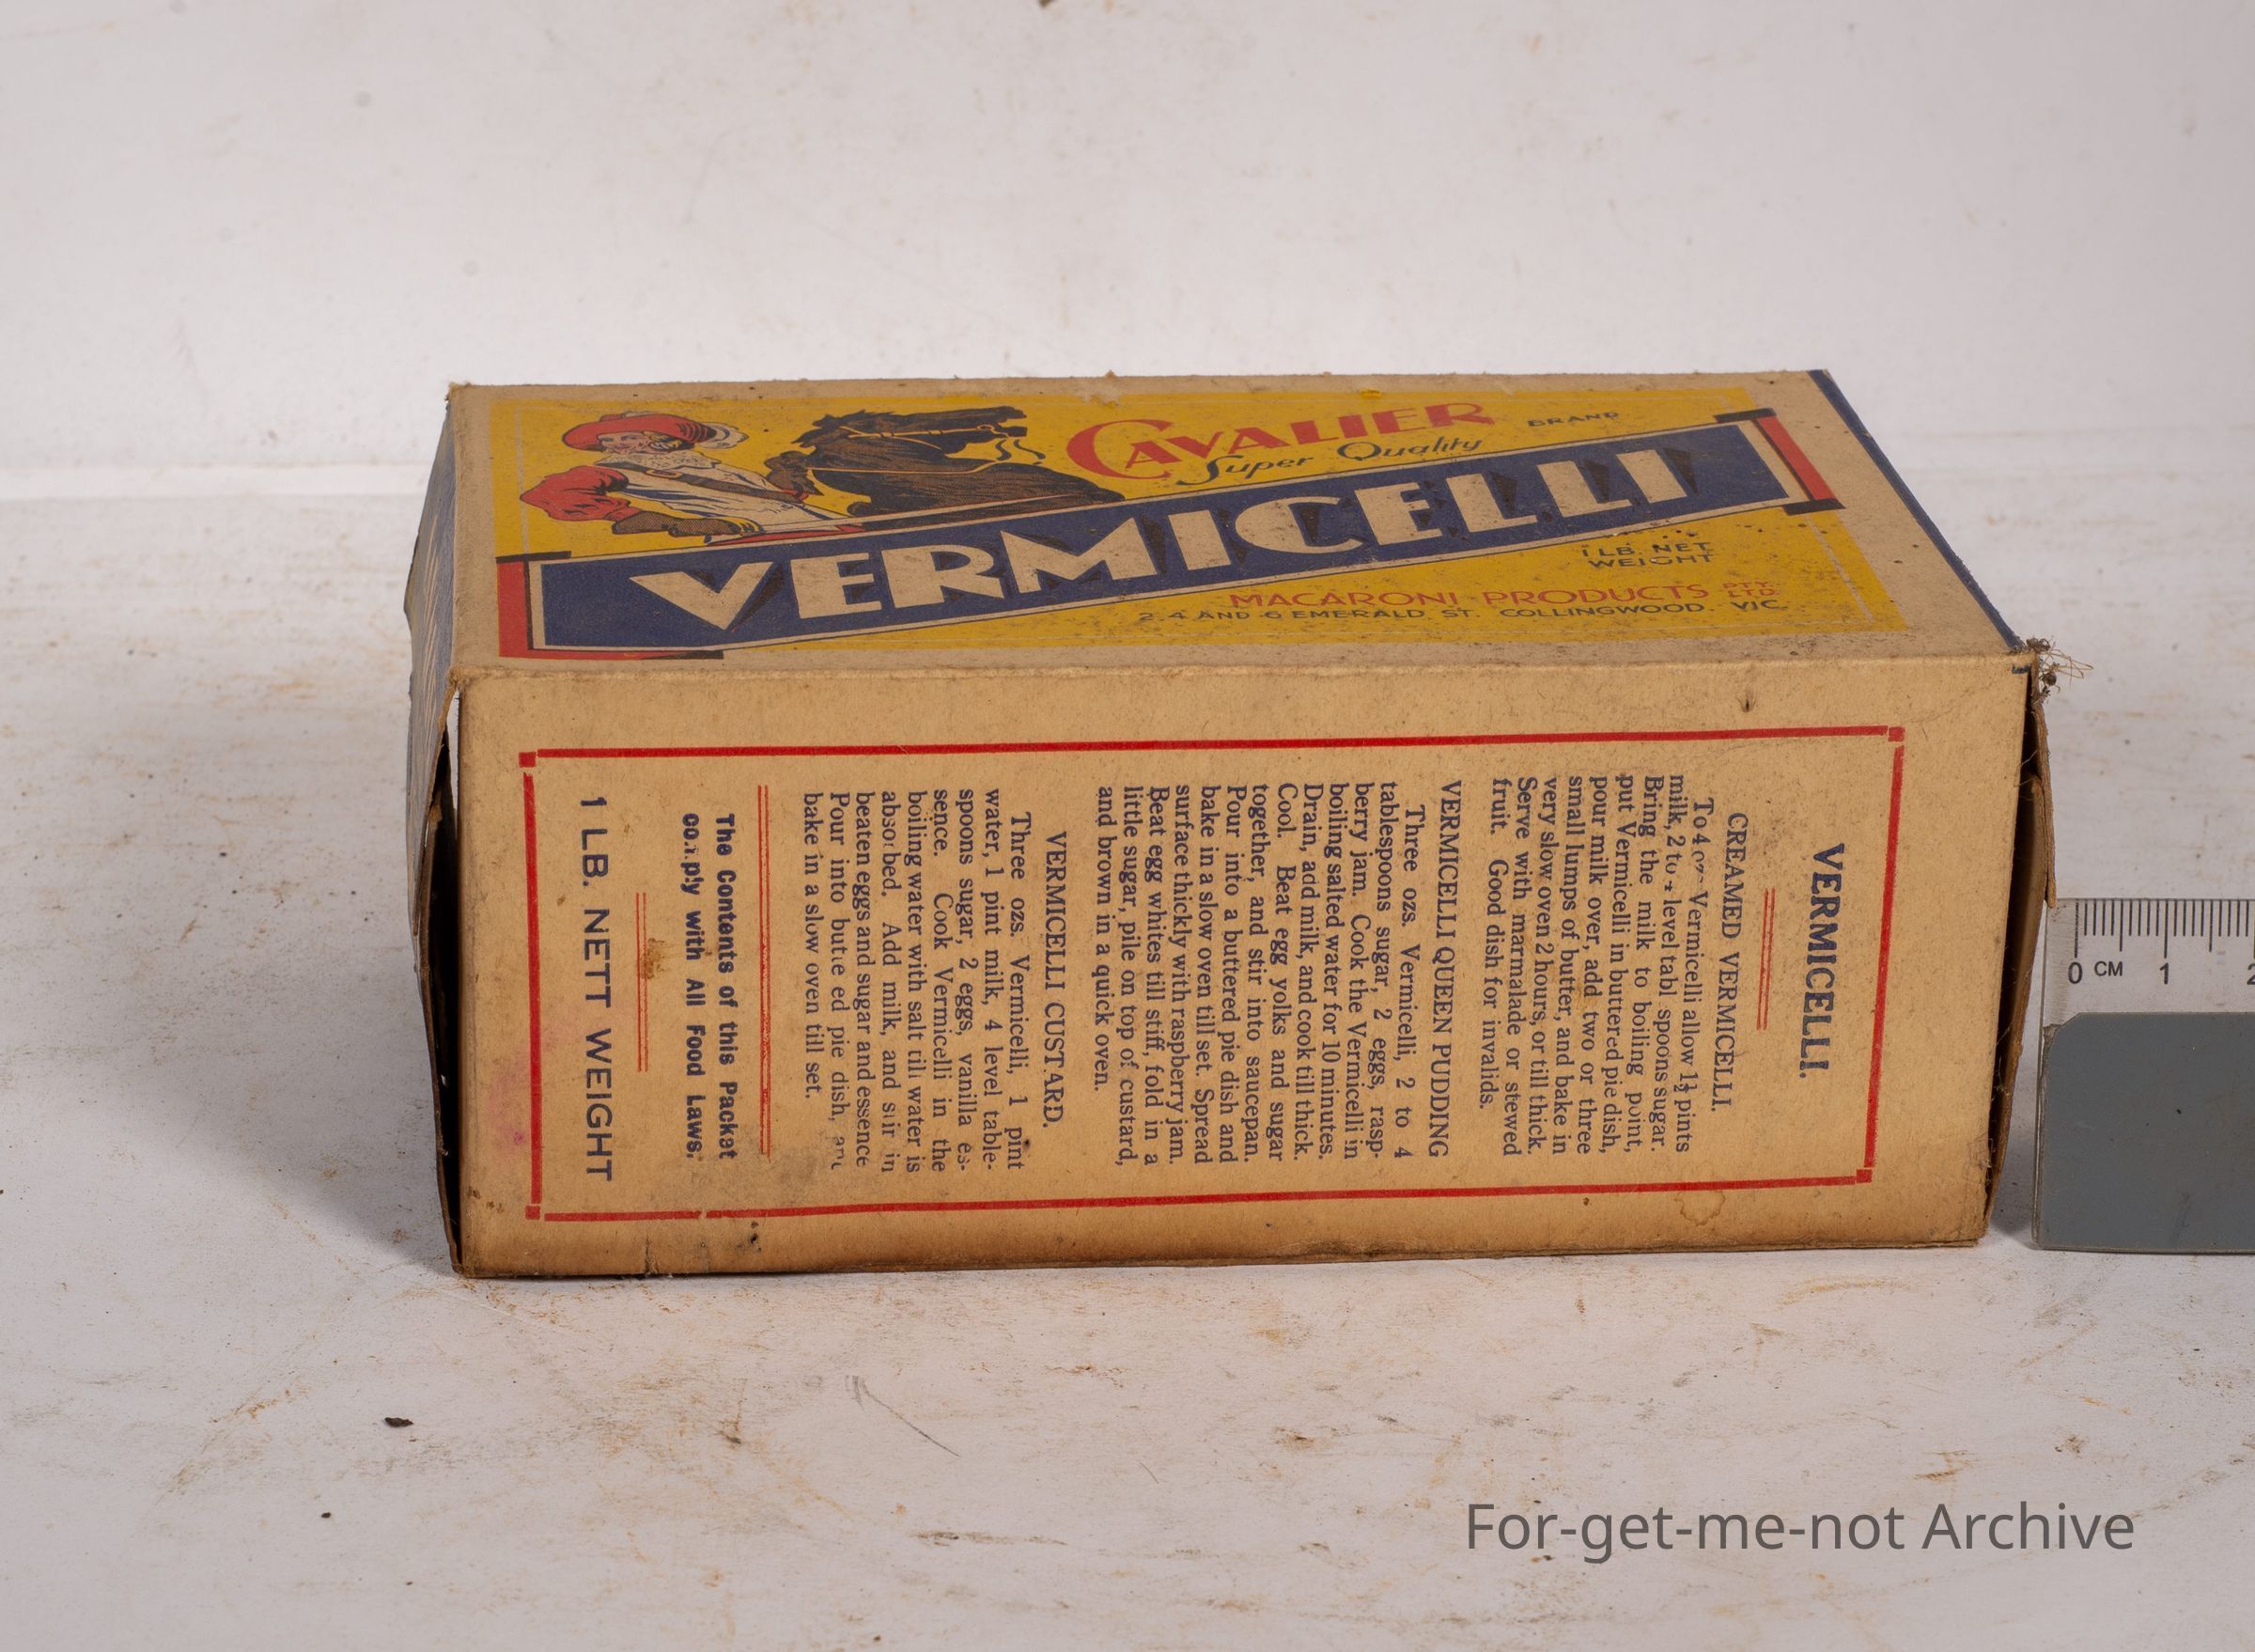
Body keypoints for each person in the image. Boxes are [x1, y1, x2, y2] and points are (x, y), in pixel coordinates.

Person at [521, 413, 834, 539]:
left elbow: (772, 497)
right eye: (609, 441)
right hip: (755, 534)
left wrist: (786, 472)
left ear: (660, 439)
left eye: (627, 437)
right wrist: (658, 521)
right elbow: (550, 492)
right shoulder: (617, 469)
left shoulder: (708, 465)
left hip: (820, 521)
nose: (618, 445)